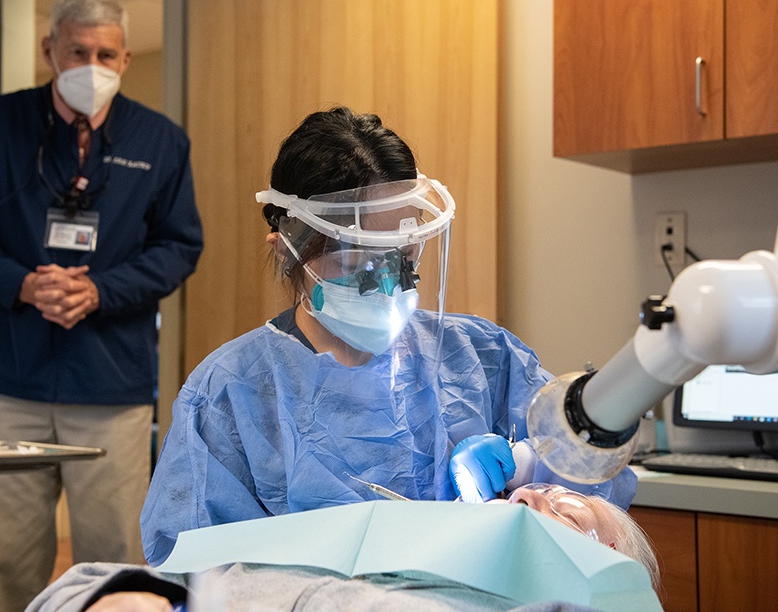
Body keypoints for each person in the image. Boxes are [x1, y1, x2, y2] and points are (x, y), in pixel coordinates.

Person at [139, 107, 636, 568]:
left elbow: (598, 485)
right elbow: (197, 568)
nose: (385, 280)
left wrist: (525, 466)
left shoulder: (480, 357)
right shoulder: (231, 393)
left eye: (400, 253)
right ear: (288, 249)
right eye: (356, 258)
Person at [0, 0, 203, 611]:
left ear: (127, 59)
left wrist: (100, 291)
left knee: (115, 562)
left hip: (110, 384)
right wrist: (24, 285)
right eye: (77, 50)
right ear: (49, 49)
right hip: (11, 378)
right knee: (8, 561)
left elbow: (179, 246)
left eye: (106, 54)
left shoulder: (161, 140)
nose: (92, 66)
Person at [28, 483, 660, 611]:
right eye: (528, 489)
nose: (527, 499)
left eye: (569, 511)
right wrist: (130, 597)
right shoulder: (362, 562)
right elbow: (76, 585)